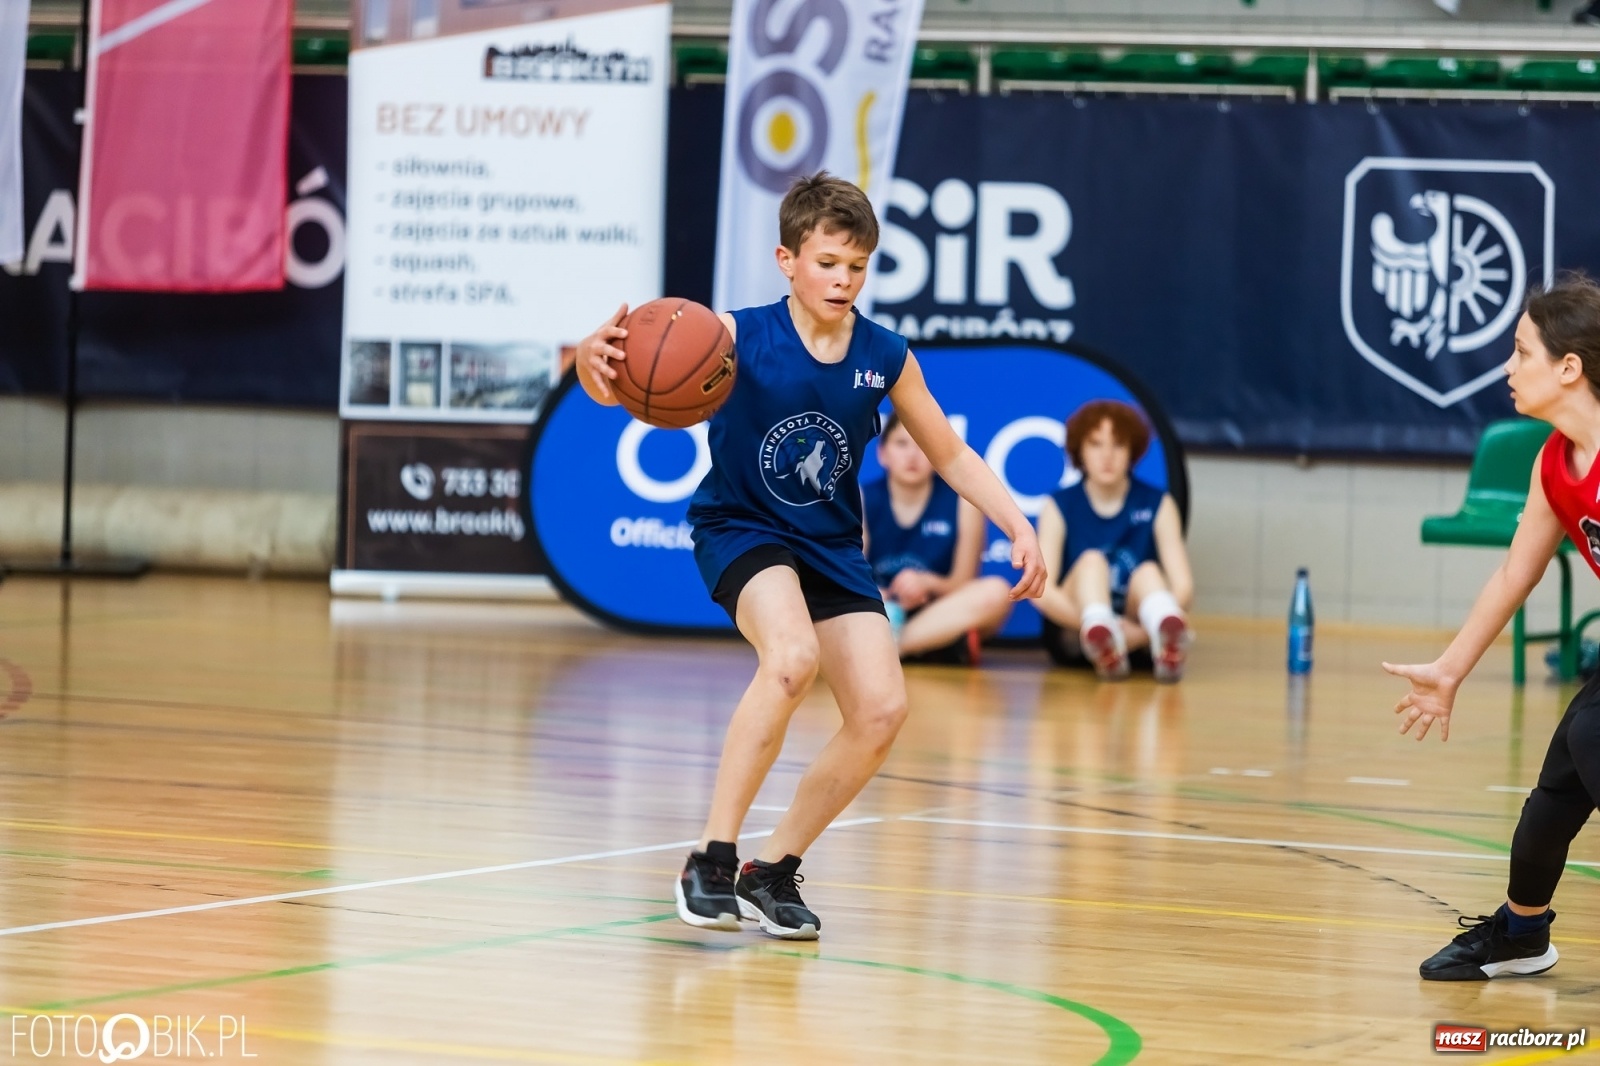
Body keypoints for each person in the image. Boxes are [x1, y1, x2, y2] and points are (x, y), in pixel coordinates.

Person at [574, 173, 1046, 941]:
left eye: (856, 266)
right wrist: (592, 369)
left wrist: (1015, 522)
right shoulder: (731, 336)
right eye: (827, 262)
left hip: (829, 542)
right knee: (790, 659)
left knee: (883, 710)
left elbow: (951, 453)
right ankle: (712, 859)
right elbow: (629, 388)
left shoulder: (885, 354)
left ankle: (773, 868)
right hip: (741, 527)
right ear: (786, 260)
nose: (842, 279)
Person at [1387, 276, 1600, 981]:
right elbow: (1515, 574)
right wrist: (1449, 670)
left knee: (1589, 737)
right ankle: (1521, 933)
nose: (1507, 367)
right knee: (1557, 789)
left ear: (1569, 367)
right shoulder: (1553, 463)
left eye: (1520, 352)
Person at [1033, 399, 1193, 681]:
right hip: (1076, 637)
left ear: (1132, 450)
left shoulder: (1158, 503)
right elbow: (1040, 591)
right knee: (1091, 562)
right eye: (1096, 444)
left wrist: (1140, 634)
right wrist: (1094, 627)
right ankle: (1100, 630)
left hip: (1139, 637)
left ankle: (1163, 630)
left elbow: (1184, 586)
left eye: (1118, 444)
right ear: (1079, 450)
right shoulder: (1059, 505)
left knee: (1148, 572)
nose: (1107, 455)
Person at [861, 411, 1014, 662]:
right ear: (882, 453)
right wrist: (877, 593)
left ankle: (890, 647)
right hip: (877, 609)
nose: (912, 456)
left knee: (996, 592)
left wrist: (927, 583)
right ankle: (909, 643)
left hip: (937, 611)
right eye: (901, 444)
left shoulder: (964, 501)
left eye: (921, 445)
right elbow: (850, 574)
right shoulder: (861, 498)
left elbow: (963, 581)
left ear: (936, 453)